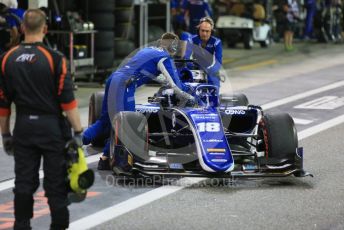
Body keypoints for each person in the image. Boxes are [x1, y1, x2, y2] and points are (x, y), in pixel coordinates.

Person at [0, 9, 83, 229]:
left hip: (24, 127)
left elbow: (3, 104)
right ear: (45, 29)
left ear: (21, 29)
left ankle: (21, 224)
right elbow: (68, 102)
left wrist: (5, 134)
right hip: (51, 128)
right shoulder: (56, 59)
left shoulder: (6, 58)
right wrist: (78, 133)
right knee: (56, 184)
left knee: (24, 183)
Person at [83, 32, 194, 171]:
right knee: (125, 123)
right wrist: (191, 98)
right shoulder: (164, 58)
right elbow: (177, 87)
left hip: (114, 79)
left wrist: (166, 81)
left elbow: (148, 73)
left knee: (105, 119)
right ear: (173, 47)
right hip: (125, 85)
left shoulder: (149, 50)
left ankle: (83, 139)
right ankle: (105, 158)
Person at [183, 16, 223, 90]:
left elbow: (218, 62)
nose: (204, 34)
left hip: (210, 70)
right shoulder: (191, 40)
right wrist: (191, 69)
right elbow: (186, 57)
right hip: (194, 69)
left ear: (211, 31)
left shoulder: (217, 42)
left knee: (214, 81)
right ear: (198, 30)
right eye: (202, 30)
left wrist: (209, 70)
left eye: (207, 31)